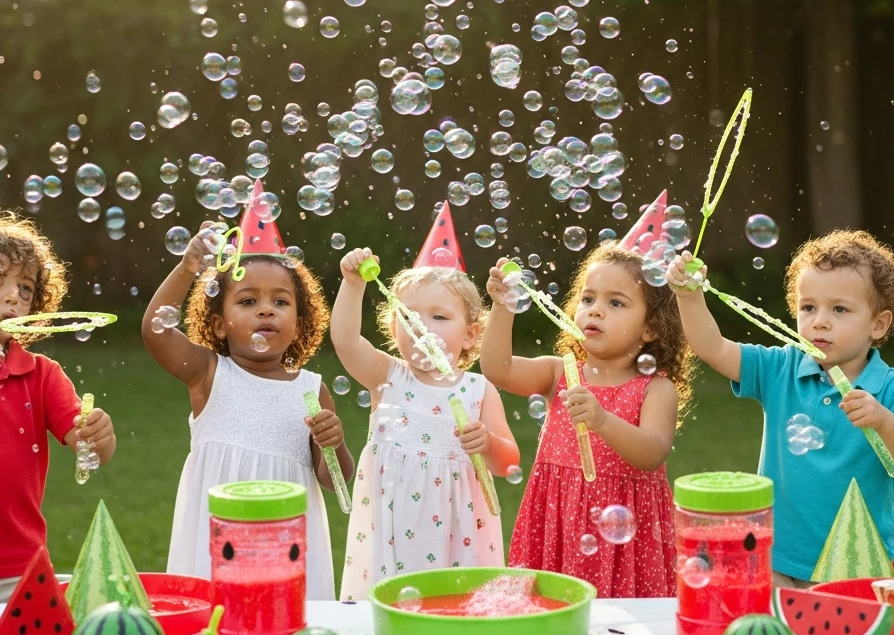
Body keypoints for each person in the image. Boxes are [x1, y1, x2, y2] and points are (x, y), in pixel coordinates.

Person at [667, 229, 894, 587]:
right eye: (808, 307)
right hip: (776, 558)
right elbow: (712, 347)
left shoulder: (890, 388)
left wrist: (883, 421)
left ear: (878, 324)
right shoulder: (781, 369)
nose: (819, 320)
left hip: (857, 566)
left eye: (839, 309)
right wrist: (689, 297)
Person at [142, 219, 352, 597]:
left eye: (281, 301)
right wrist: (188, 267)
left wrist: (334, 443)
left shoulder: (312, 390)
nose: (266, 310)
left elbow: (333, 478)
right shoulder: (208, 373)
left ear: (299, 323)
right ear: (219, 324)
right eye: (248, 300)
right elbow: (155, 330)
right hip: (218, 533)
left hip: (286, 536)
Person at [481, 243, 694, 597]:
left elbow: (653, 452)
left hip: (627, 528)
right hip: (559, 518)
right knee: (554, 610)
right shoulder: (559, 372)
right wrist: (503, 308)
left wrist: (602, 419)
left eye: (616, 303)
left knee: (623, 617)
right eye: (588, 299)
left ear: (652, 328)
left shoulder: (656, 389)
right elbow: (497, 369)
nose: (596, 310)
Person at [332, 248, 520, 600]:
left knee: (453, 604)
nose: (421, 326)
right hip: (392, 526)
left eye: (439, 317)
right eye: (409, 316)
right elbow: (344, 341)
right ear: (392, 328)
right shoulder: (388, 377)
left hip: (457, 529)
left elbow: (509, 463)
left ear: (470, 335)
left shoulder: (478, 390)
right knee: (390, 603)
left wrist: (489, 443)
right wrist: (353, 284)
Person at [0, 212, 116, 602]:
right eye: (0, 281)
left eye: (26, 288)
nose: (13, 296)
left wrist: (98, 435)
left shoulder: (42, 375)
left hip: (19, 567)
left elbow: (88, 448)